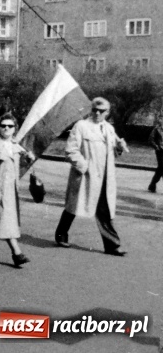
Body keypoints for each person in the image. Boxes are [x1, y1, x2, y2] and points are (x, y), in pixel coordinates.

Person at [54, 97, 128, 256]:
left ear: (108, 113)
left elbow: (114, 153)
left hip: (104, 178)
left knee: (104, 210)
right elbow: (70, 151)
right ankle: (61, 233)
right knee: (73, 207)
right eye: (95, 110)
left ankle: (112, 245)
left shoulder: (108, 128)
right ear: (90, 109)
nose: (97, 113)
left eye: (102, 111)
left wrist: (120, 148)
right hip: (85, 176)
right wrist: (84, 167)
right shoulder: (81, 126)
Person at [0, 113, 34, 267]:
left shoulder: (15, 145)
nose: (6, 128)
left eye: (10, 126)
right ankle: (17, 253)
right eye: (3, 126)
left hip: (11, 190)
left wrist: (28, 158)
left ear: (14, 129)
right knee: (4, 220)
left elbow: (17, 166)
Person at [147, 114, 163, 192]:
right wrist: (156, 147)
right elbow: (150, 139)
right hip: (160, 151)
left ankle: (152, 185)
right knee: (162, 167)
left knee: (160, 169)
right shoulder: (157, 129)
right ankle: (152, 185)